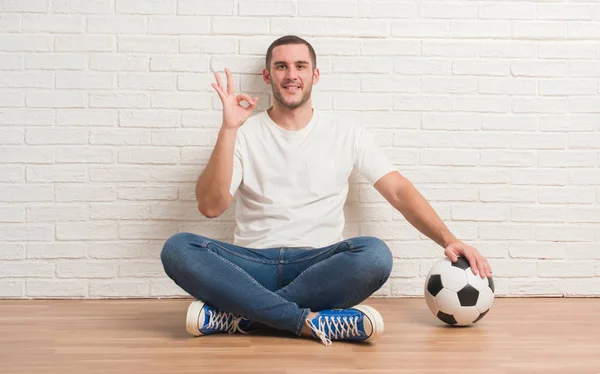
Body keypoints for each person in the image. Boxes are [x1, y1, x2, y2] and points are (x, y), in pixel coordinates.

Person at [160, 35, 493, 346]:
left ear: (315, 75)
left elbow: (399, 192)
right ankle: (307, 322)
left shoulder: (346, 132)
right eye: (281, 66)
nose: (291, 75)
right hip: (252, 263)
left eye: (300, 66)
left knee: (375, 255)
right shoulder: (244, 132)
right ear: (267, 76)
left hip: (317, 267)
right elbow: (210, 206)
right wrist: (229, 128)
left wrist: (448, 239)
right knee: (178, 248)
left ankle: (244, 316)